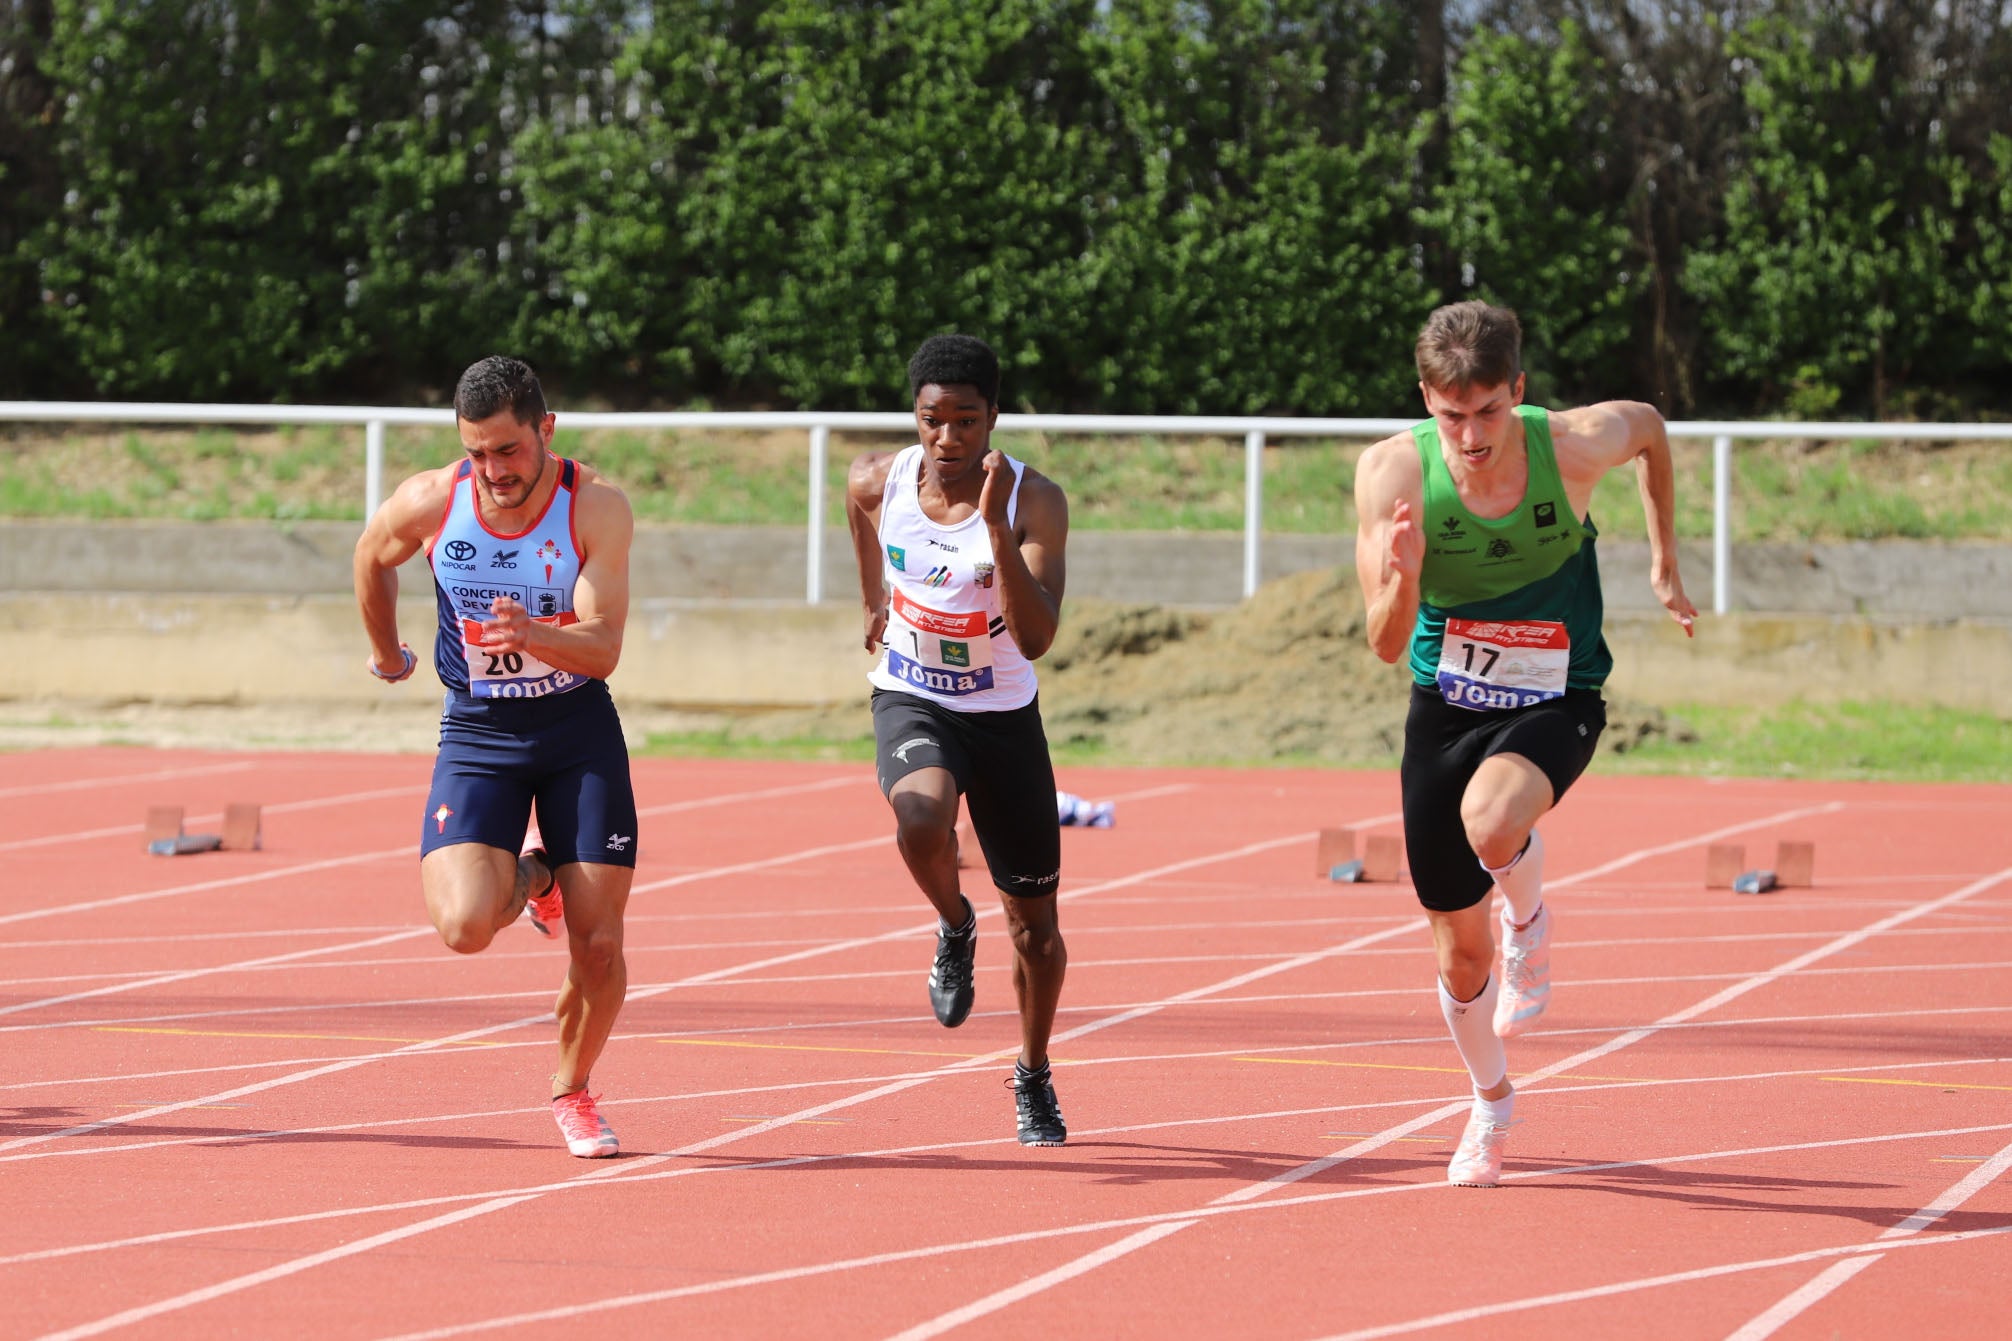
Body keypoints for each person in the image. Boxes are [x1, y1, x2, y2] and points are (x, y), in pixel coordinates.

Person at [1352, 301, 1697, 1186]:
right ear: (1425, 399)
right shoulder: (1392, 474)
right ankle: (1492, 1101)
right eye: (1451, 415)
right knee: (1458, 954)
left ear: (1519, 389)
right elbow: (1384, 644)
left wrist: (1664, 559)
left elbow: (1651, 429)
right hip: (1445, 703)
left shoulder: (1572, 446)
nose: (1471, 436)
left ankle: (1530, 918)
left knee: (1494, 818)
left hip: (1557, 691)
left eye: (1489, 411)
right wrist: (1406, 578)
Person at [352, 355, 639, 1158]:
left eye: (508, 450)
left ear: (546, 429)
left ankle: (572, 1089)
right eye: (476, 452)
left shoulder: (595, 507)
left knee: (600, 944)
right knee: (464, 925)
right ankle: (540, 877)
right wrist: (388, 654)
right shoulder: (432, 500)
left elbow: (604, 648)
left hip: (576, 729)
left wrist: (535, 633)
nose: (494, 471)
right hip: (480, 731)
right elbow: (371, 555)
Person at [845, 334, 1073, 1146]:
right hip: (913, 695)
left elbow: (1037, 637)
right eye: (932, 420)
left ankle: (1033, 1072)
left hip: (1004, 715)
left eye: (966, 422)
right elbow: (859, 514)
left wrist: (994, 527)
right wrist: (872, 597)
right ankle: (953, 921)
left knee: (1036, 930)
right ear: (915, 416)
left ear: (993, 418)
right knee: (919, 818)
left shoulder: (1034, 500)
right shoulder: (878, 478)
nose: (947, 439)